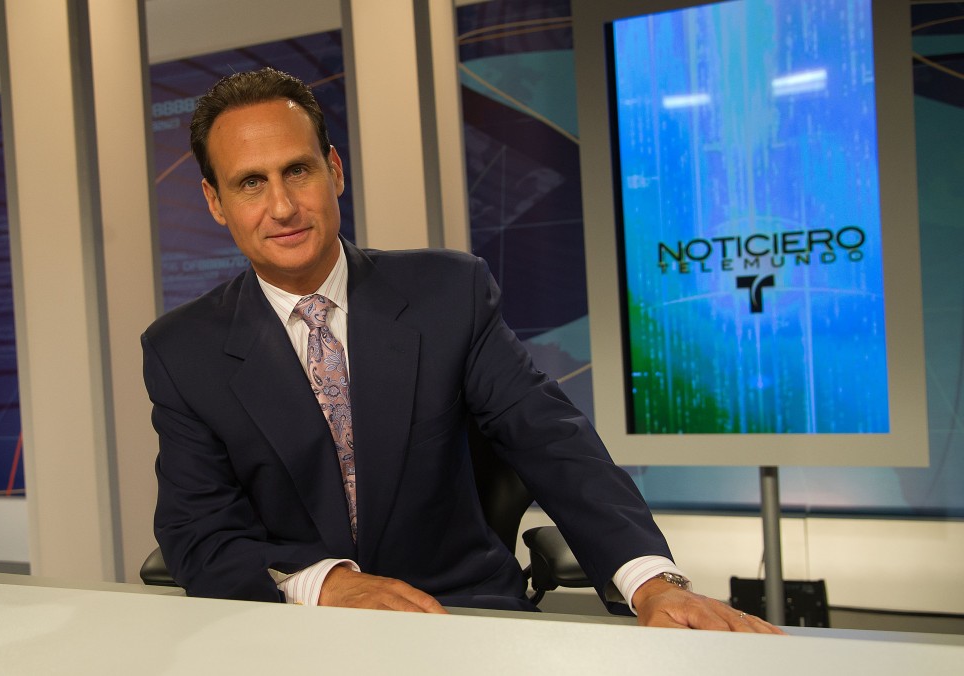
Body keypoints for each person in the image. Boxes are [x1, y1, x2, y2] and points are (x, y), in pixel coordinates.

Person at [141, 67, 781, 633]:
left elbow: (548, 437)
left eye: (297, 171)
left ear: (333, 171)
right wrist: (326, 583)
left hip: (460, 616)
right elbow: (197, 531)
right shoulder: (182, 351)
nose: (282, 206)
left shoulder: (449, 291)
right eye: (250, 183)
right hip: (295, 628)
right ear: (215, 201)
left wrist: (648, 579)